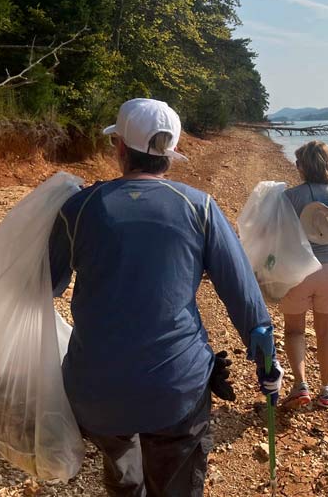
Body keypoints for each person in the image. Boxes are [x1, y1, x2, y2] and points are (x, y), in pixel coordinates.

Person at [48, 98, 283, 497]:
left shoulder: (77, 207)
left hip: (95, 390)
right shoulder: (200, 207)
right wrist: (267, 366)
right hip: (176, 386)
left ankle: (127, 479)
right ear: (170, 155)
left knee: (123, 468)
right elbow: (244, 299)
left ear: (120, 148)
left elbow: (49, 285)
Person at [280, 140, 328, 409]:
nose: (296, 167)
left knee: (294, 330)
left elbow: (279, 236)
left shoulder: (290, 197)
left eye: (298, 162)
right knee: (325, 333)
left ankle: (300, 385)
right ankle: (326, 390)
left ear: (304, 166)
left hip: (298, 271)